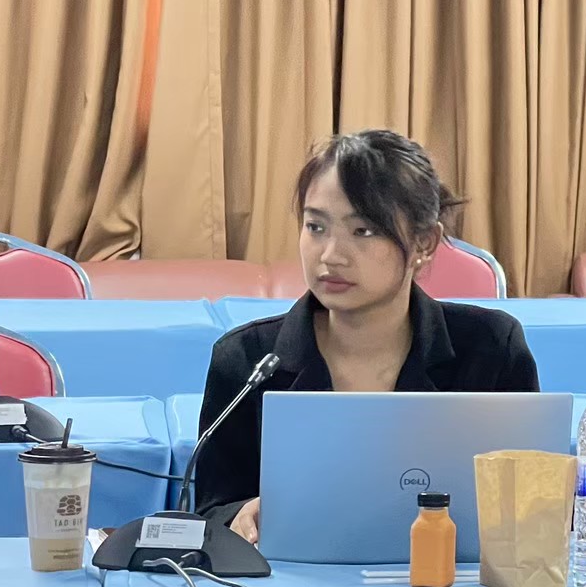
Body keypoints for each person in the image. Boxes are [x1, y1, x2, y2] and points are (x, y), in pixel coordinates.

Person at [193, 129, 539, 542]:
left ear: (424, 243)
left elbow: (534, 504)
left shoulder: (490, 347)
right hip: (290, 579)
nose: (330, 255)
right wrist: (240, 516)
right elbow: (211, 510)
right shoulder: (248, 358)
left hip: (449, 576)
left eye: (363, 231)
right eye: (315, 226)